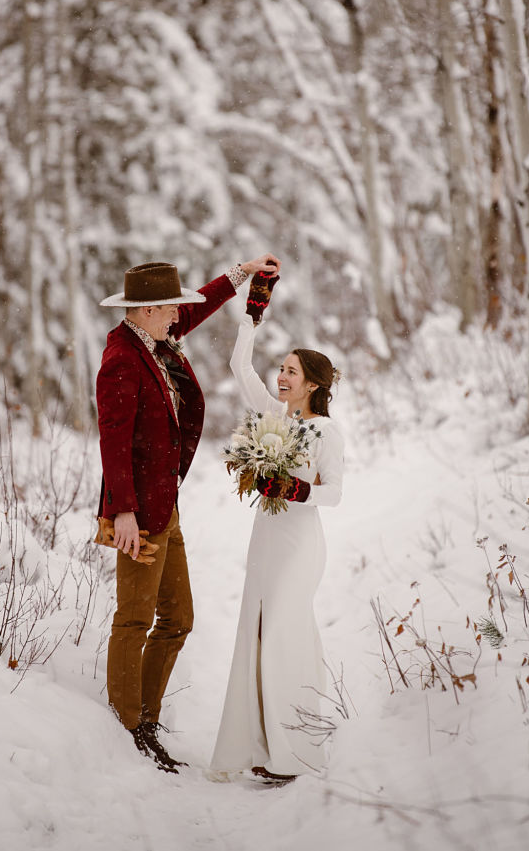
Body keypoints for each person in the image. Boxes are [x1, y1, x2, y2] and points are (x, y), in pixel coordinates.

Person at [96, 254, 281, 774]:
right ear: (148, 310)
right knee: (134, 617)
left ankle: (146, 719)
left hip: (164, 503)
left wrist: (241, 274)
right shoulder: (122, 360)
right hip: (140, 513)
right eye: (170, 306)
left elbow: (197, 310)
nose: (179, 312)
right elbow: (113, 442)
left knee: (178, 619)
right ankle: (125, 728)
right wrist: (124, 513)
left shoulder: (153, 338)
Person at [211, 270, 344, 784]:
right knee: (258, 637)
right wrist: (252, 312)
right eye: (281, 369)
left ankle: (297, 753)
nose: (281, 377)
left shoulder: (326, 431)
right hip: (266, 542)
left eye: (291, 371)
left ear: (312, 383)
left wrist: (295, 490)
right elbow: (238, 365)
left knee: (286, 637)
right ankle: (262, 748)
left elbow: (335, 492)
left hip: (299, 546)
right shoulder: (274, 415)